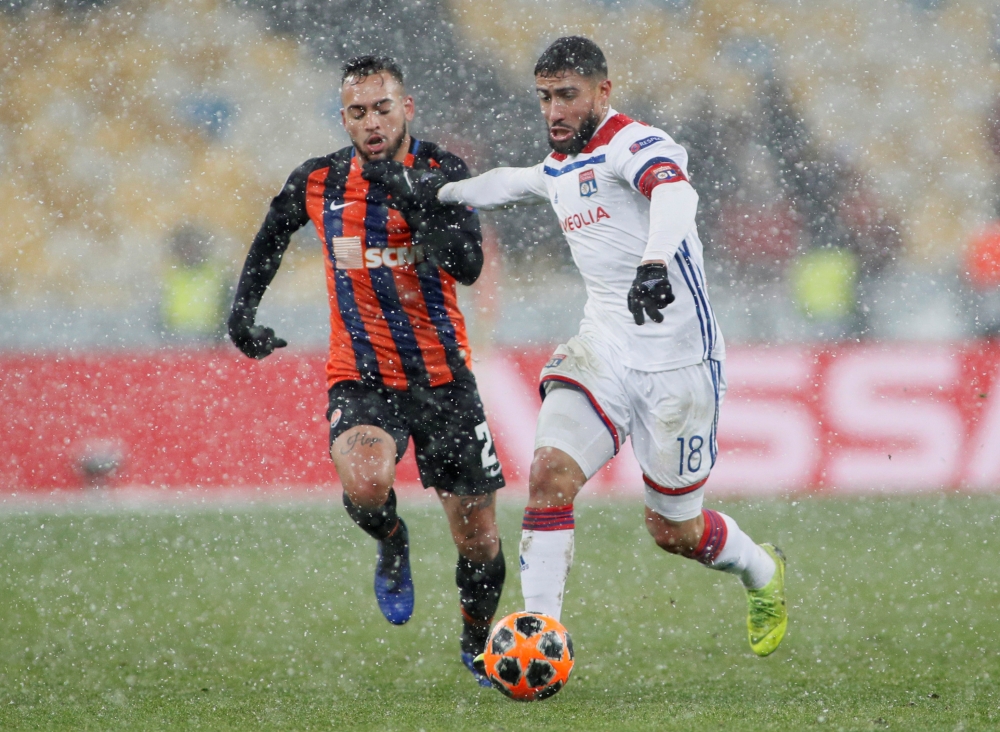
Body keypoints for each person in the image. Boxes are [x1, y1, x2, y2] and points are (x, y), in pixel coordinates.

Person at [365, 37, 787, 659]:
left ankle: (761, 572)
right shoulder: (562, 165)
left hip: (679, 364)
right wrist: (436, 192)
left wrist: (652, 263)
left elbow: (677, 196)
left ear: (602, 92)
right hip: (605, 347)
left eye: (568, 95)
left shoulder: (633, 143)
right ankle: (541, 637)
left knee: (672, 531)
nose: (555, 110)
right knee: (549, 474)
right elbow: (512, 183)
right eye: (545, 98)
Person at [227, 55, 506, 686]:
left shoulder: (443, 173)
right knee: (365, 483)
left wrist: (417, 203)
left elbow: (466, 265)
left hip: (443, 379)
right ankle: (391, 539)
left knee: (479, 539)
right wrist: (241, 314)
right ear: (344, 119)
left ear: (407, 109)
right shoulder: (320, 179)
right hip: (364, 377)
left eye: (383, 107)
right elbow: (272, 234)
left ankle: (476, 637)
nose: (372, 121)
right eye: (358, 111)